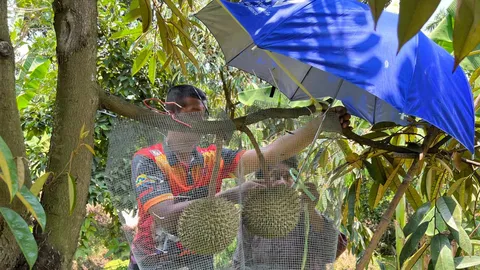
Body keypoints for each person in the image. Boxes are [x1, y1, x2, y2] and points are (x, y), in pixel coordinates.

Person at [128, 84, 351, 270]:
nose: (200, 122)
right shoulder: (149, 159)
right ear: (171, 114)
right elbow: (166, 216)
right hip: (154, 261)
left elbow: (272, 153)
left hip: (198, 261)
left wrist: (317, 126)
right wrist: (232, 195)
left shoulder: (213, 158)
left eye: (203, 116)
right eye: (193, 114)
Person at [233, 157, 348, 270]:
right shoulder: (251, 219)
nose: (283, 182)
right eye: (276, 177)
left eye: (287, 177)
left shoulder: (305, 214)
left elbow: (332, 252)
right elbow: (239, 264)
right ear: (261, 183)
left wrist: (311, 211)